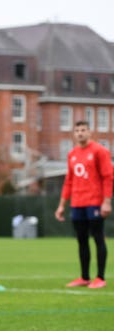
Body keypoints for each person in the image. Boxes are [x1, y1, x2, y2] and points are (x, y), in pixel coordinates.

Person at [55, 120, 112, 289]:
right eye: (77, 130)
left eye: (83, 130)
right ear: (74, 134)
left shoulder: (99, 151)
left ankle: (100, 277)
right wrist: (61, 205)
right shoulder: (72, 154)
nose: (80, 133)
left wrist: (106, 201)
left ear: (90, 132)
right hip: (77, 203)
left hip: (95, 202)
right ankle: (84, 277)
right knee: (81, 240)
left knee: (98, 237)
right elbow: (69, 181)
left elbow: (108, 177)